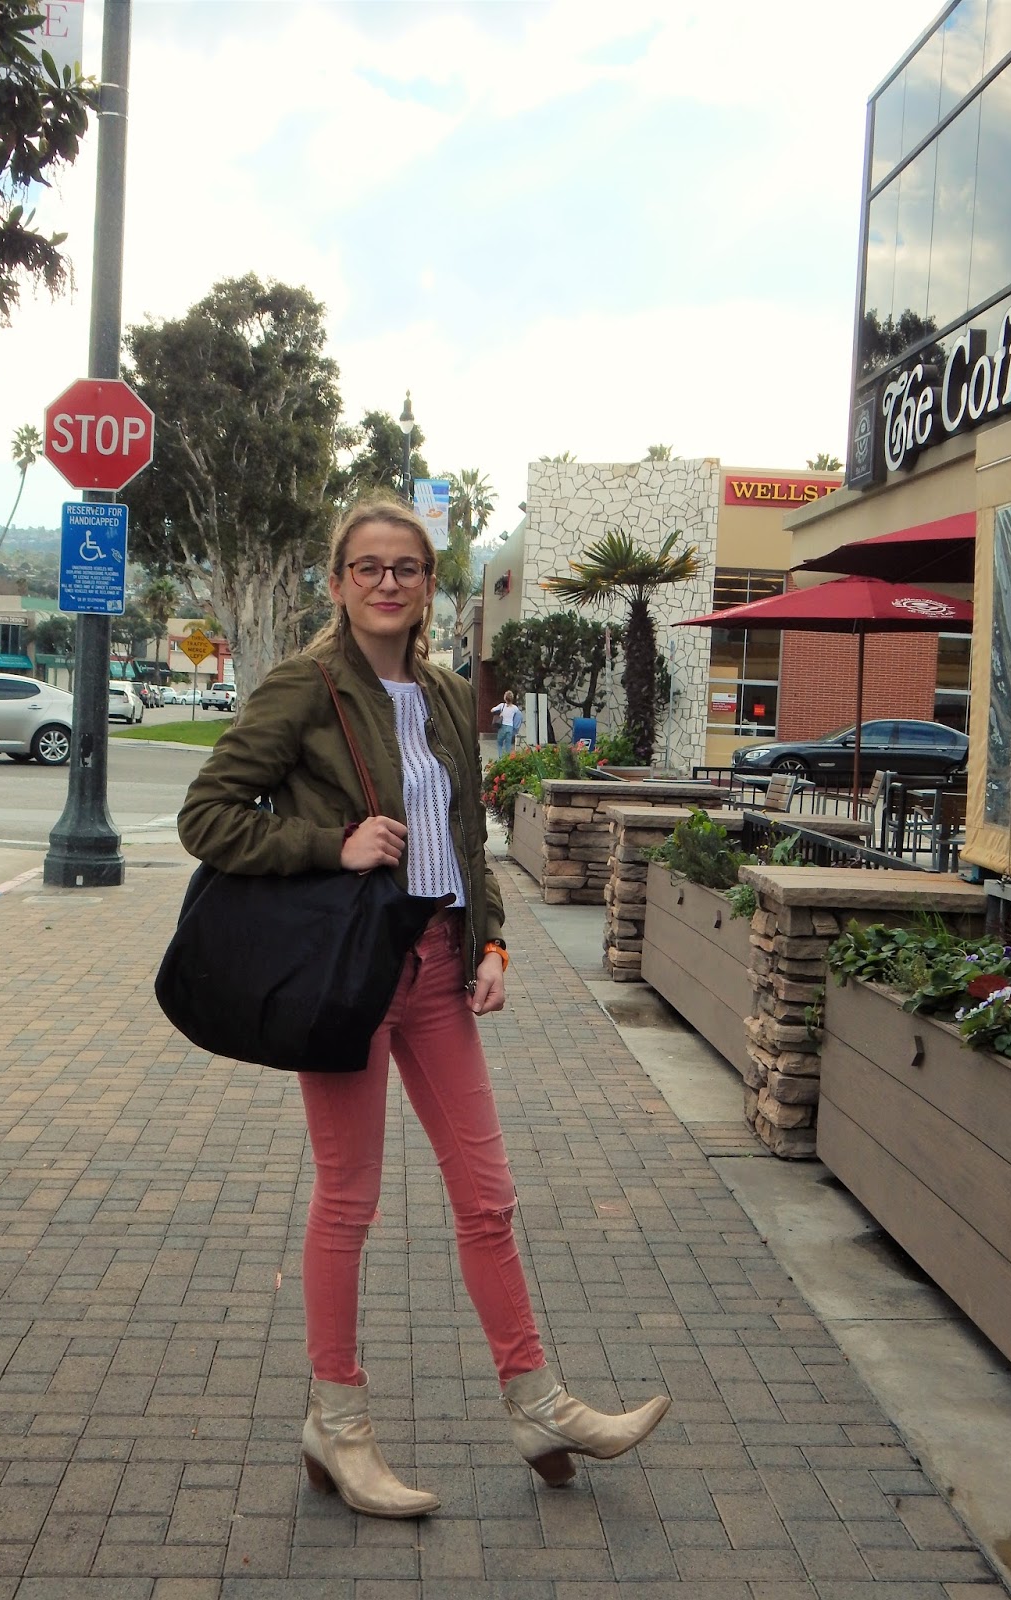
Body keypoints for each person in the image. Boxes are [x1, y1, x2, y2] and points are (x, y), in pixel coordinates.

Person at [177, 496, 669, 1520]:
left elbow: (465, 834)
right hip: (351, 973)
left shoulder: (445, 693)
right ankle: (337, 1421)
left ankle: (537, 1403)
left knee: (488, 1196)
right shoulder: (306, 686)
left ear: (430, 584)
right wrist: (333, 844)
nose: (388, 582)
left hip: (440, 965)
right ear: (337, 581)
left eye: (406, 567)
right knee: (348, 1200)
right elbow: (207, 815)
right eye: (368, 566)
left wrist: (490, 940)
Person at [491, 689, 522, 758]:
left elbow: (492, 710)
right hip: (510, 727)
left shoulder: (502, 705)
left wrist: (500, 713)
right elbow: (519, 715)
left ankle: (500, 758)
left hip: (503, 727)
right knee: (508, 744)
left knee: (499, 743)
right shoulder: (515, 708)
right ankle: (507, 759)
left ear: (505, 698)